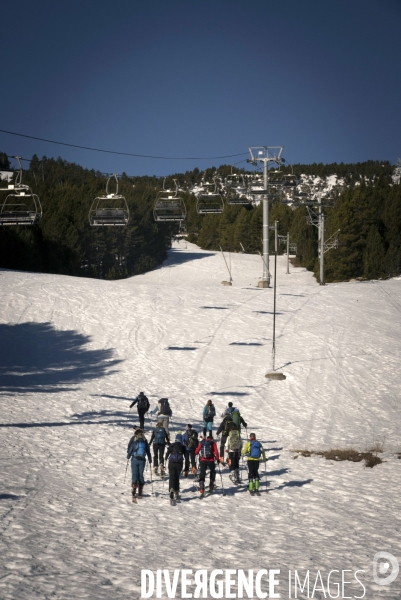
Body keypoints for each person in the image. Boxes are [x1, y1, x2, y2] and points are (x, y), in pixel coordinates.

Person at [127, 427, 152, 501]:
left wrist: (128, 456)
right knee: (140, 474)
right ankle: (140, 491)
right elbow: (148, 451)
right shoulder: (145, 442)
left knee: (135, 473)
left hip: (134, 459)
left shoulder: (135, 442)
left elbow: (130, 450)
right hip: (142, 460)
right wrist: (150, 459)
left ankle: (134, 486)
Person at [165, 432, 186, 504]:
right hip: (179, 463)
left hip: (171, 463)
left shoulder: (172, 445)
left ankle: (171, 490)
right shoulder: (183, 446)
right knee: (177, 477)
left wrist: (165, 459)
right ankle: (176, 492)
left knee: (172, 477)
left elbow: (167, 453)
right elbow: (186, 457)